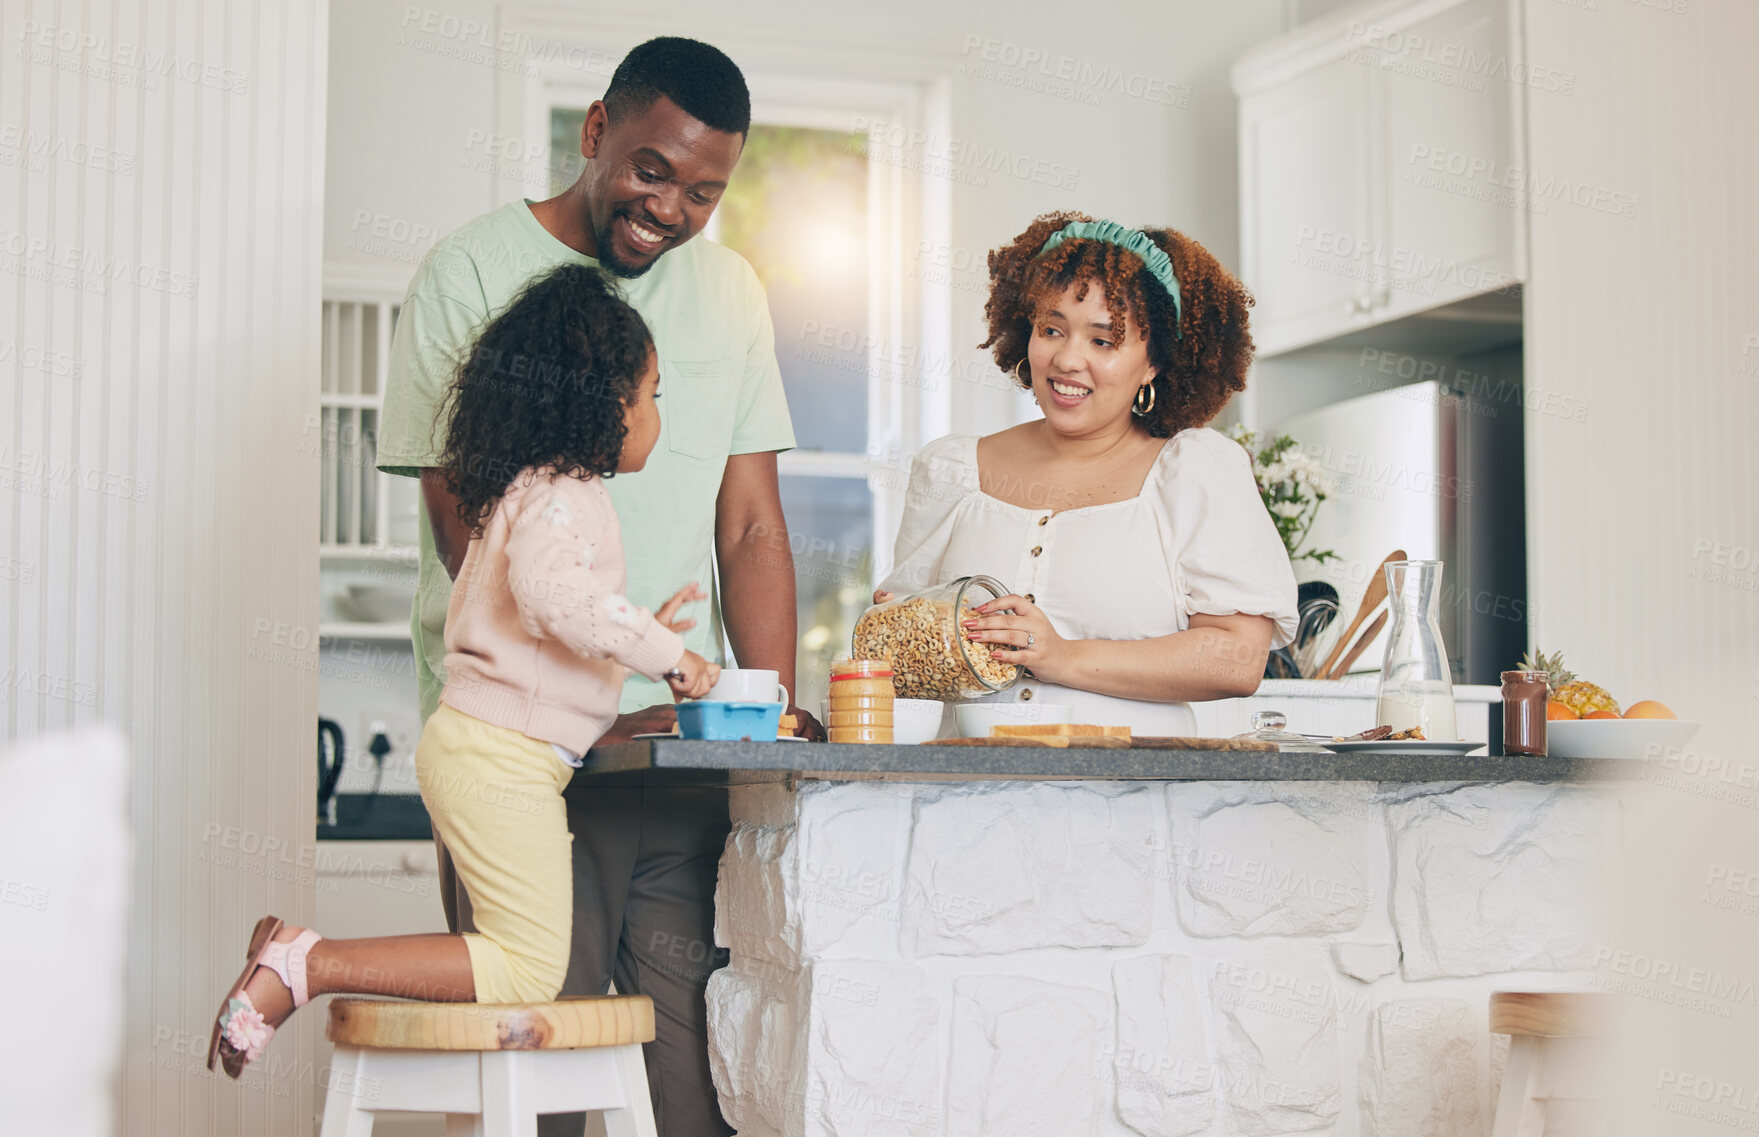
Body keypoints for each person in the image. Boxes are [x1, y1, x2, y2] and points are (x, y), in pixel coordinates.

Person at [375, 38, 809, 1135]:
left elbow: (751, 525)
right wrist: (606, 698)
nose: (670, 208)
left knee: (691, 1075)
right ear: (594, 133)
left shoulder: (733, 291)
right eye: (651, 170)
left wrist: (754, 712)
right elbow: (466, 527)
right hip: (523, 751)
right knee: (543, 1065)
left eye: (704, 191)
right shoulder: (467, 271)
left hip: (677, 750)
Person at [211, 264, 719, 1079]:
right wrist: (676, 658)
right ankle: (306, 961)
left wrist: (637, 633)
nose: (657, 415)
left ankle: (303, 960)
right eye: (653, 394)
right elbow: (552, 594)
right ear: (603, 401)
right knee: (526, 968)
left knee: (519, 959)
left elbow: (547, 621)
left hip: (484, 749)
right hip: (501, 760)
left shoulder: (529, 488)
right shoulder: (567, 492)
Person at [875, 213, 1298, 732]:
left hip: (1134, 800)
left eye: (1103, 340)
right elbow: (905, 656)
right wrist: (904, 630)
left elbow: (1237, 660)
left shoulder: (1193, 473)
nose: (1067, 359)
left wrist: (1061, 655)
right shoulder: (953, 471)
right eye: (1051, 330)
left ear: (1154, 364)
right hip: (966, 800)